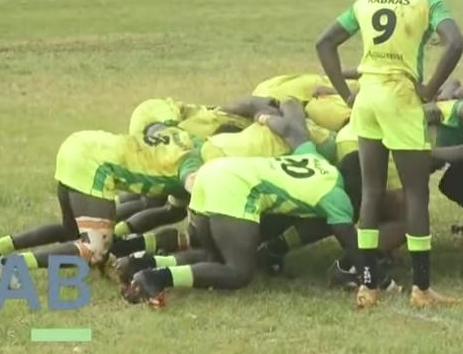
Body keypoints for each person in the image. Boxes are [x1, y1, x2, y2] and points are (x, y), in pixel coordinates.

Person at [315, 0, 463, 308]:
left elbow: (324, 43)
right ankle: (422, 288)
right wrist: (429, 89)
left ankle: (368, 285)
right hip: (400, 97)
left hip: (367, 97)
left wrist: (345, 94)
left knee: (371, 192)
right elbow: (455, 42)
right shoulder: (429, 0)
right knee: (416, 193)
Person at [121, 102, 361, 308]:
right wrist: (376, 278)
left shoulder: (313, 157)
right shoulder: (336, 197)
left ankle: (144, 261)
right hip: (232, 187)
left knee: (214, 258)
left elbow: (292, 130)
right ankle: (154, 278)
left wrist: (265, 116)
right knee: (238, 271)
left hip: (211, 171)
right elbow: (351, 242)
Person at [0, 122, 202, 286]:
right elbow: (194, 183)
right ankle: (12, 264)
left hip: (80, 145)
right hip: (96, 165)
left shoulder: (189, 140)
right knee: (94, 250)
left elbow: (171, 212)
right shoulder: (196, 164)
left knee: (72, 232)